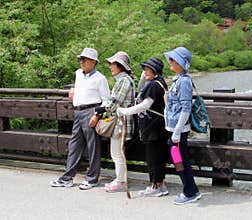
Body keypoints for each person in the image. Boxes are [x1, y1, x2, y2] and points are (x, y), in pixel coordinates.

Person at [50, 47, 111, 190]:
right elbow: (80, 86)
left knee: (93, 147)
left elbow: (106, 100)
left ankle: (92, 178)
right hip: (77, 112)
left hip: (91, 111)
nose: (81, 62)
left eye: (84, 59)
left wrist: (96, 115)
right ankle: (67, 177)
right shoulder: (78, 74)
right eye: (80, 59)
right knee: (74, 146)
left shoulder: (100, 79)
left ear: (93, 62)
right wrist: (73, 89)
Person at [116, 57, 169, 197]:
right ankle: (161, 184)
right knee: (158, 156)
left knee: (153, 158)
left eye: (147, 69)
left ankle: (155, 186)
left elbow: (146, 105)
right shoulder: (159, 83)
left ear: (154, 70)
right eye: (144, 68)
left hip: (153, 128)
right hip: (158, 127)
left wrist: (125, 111)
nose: (144, 71)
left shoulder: (153, 85)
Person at [91, 51, 135, 192]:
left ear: (120, 66)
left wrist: (100, 109)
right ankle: (119, 179)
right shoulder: (125, 80)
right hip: (121, 121)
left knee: (117, 153)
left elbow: (115, 103)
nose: (110, 67)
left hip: (121, 122)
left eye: (112, 64)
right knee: (116, 152)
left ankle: (121, 181)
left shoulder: (124, 81)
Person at [163, 47, 201, 205]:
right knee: (179, 161)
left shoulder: (184, 81)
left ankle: (190, 191)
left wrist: (177, 132)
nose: (170, 62)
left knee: (180, 161)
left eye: (173, 59)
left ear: (180, 63)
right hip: (173, 129)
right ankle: (190, 190)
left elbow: (186, 108)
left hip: (178, 131)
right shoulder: (177, 80)